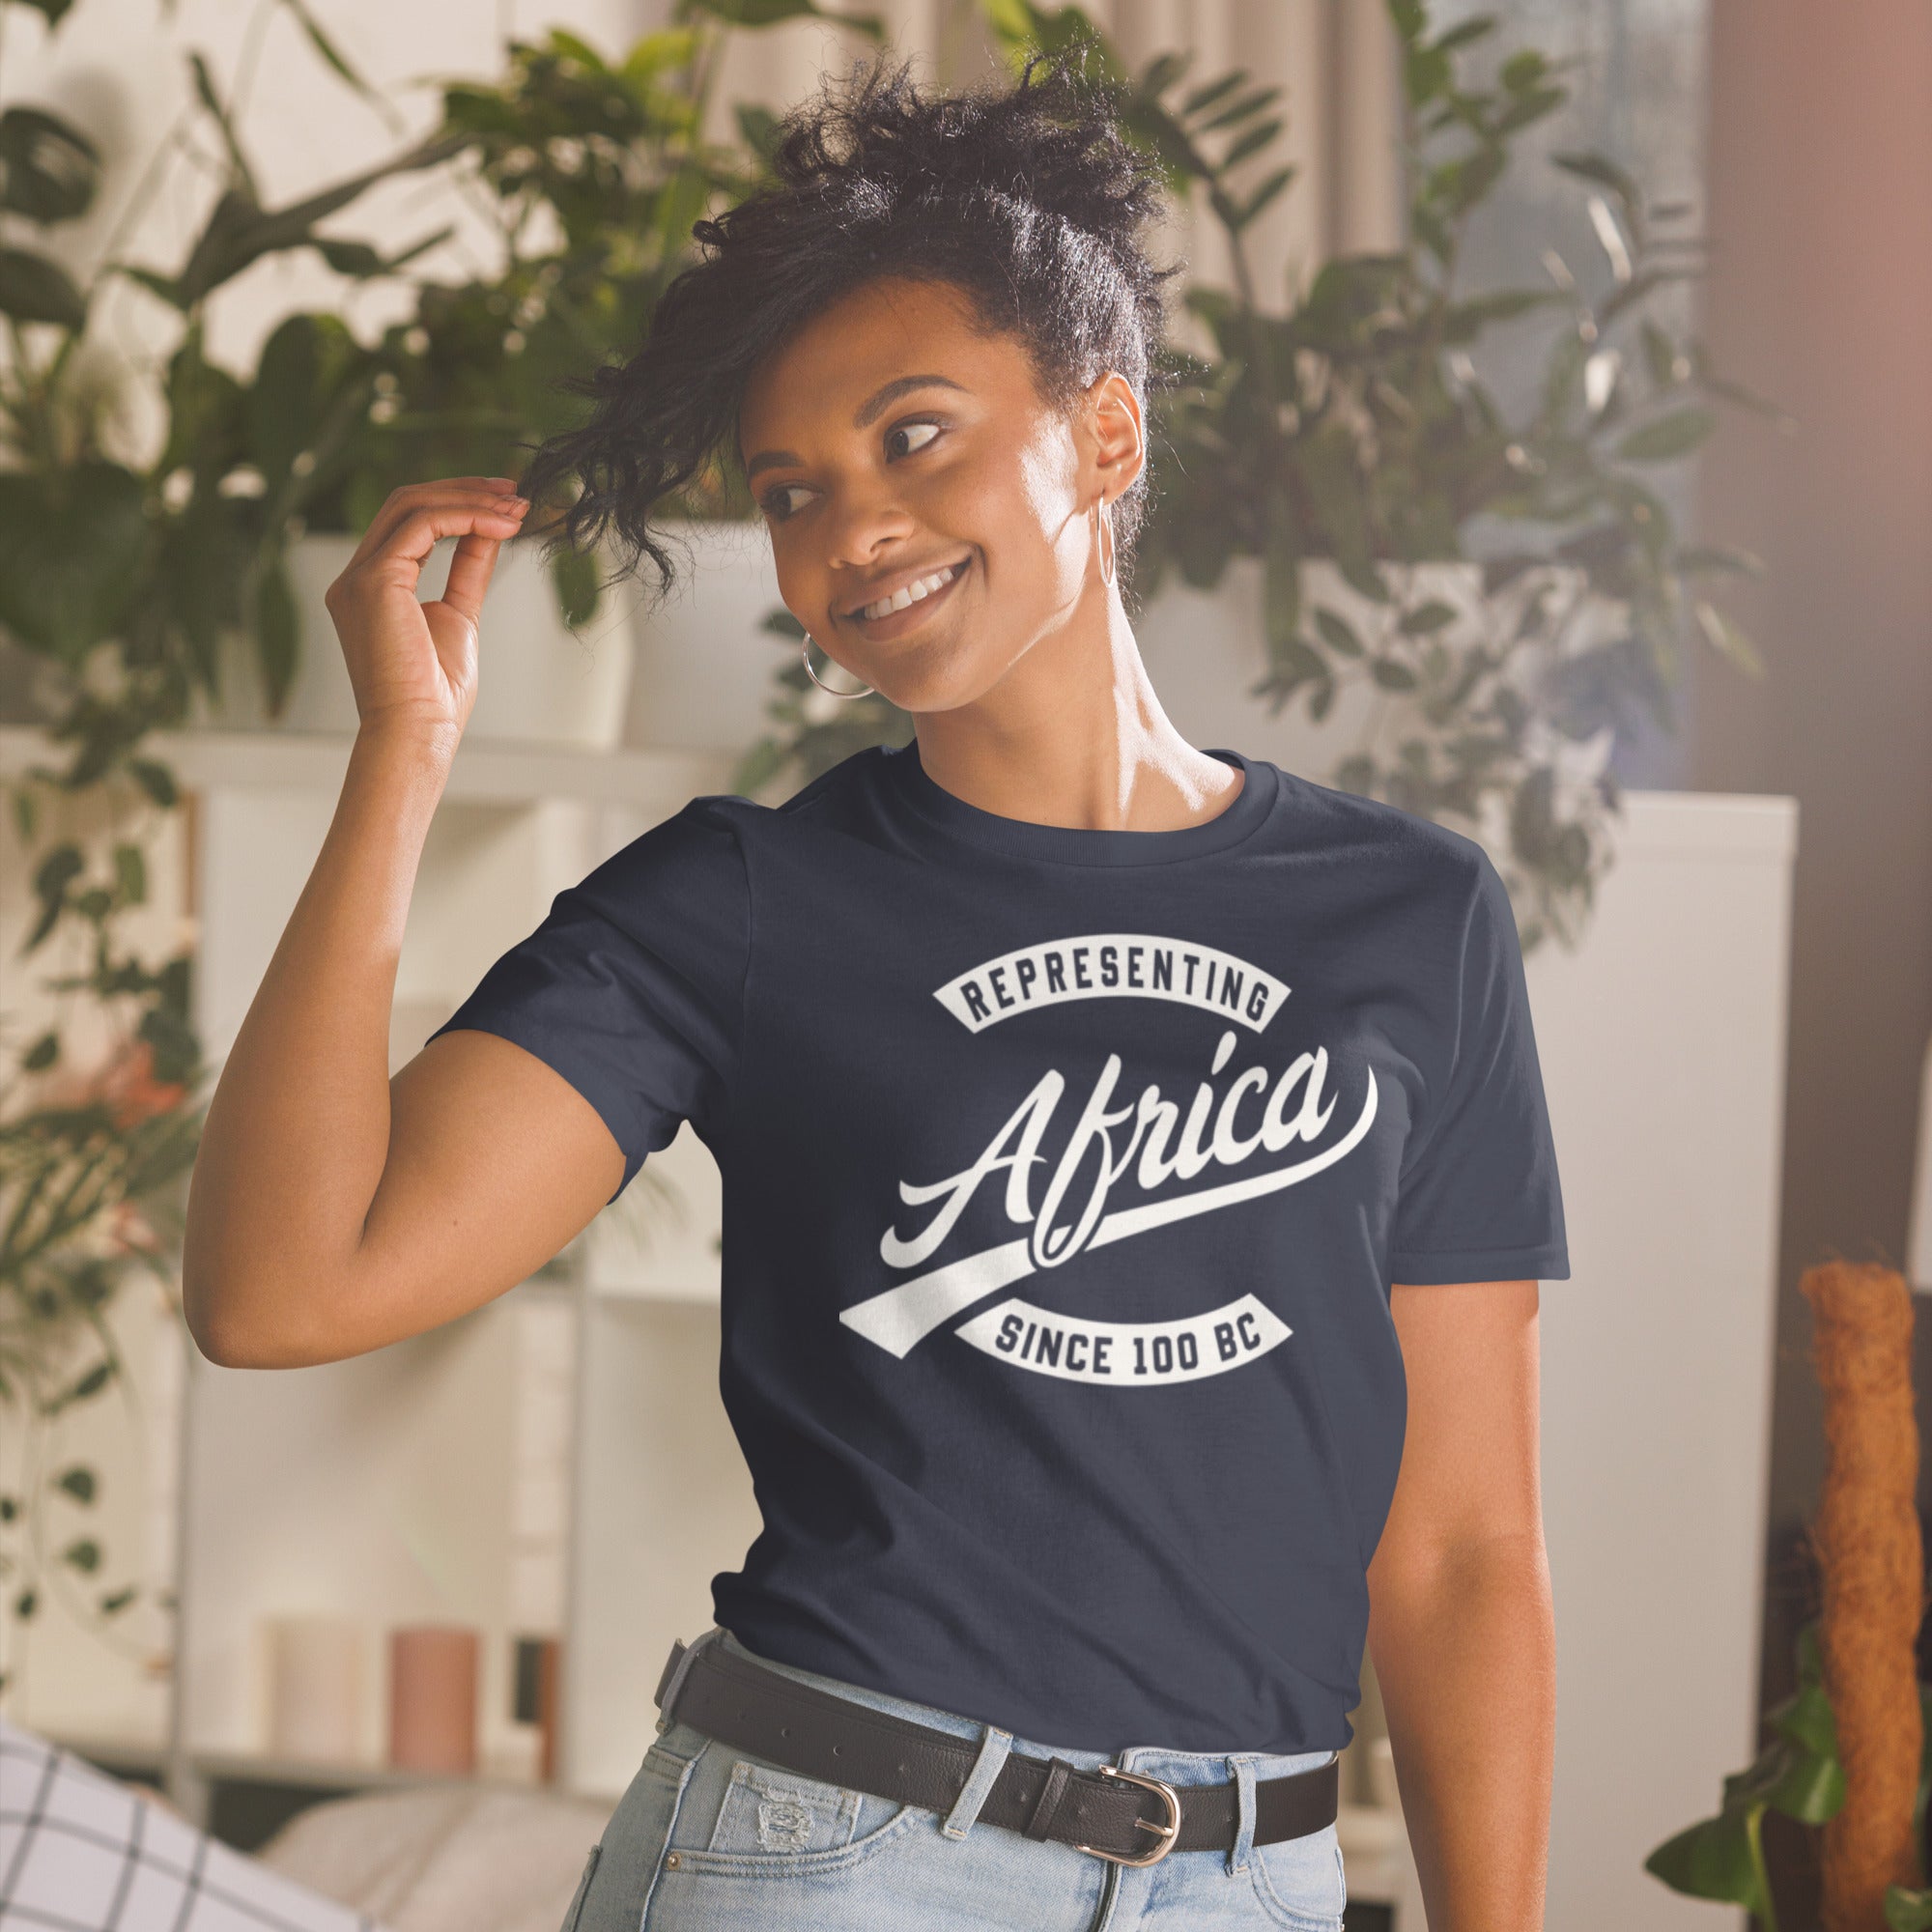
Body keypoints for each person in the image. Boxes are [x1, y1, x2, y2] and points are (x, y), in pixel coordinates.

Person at [181, 51, 1568, 1932]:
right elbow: (281, 1287)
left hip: (1257, 1881)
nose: (849, 533)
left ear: (1103, 433)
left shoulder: (1411, 916)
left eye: (912, 436)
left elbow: (1467, 1547)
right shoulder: (740, 905)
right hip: (833, 1857)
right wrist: (405, 757)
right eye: (790, 491)